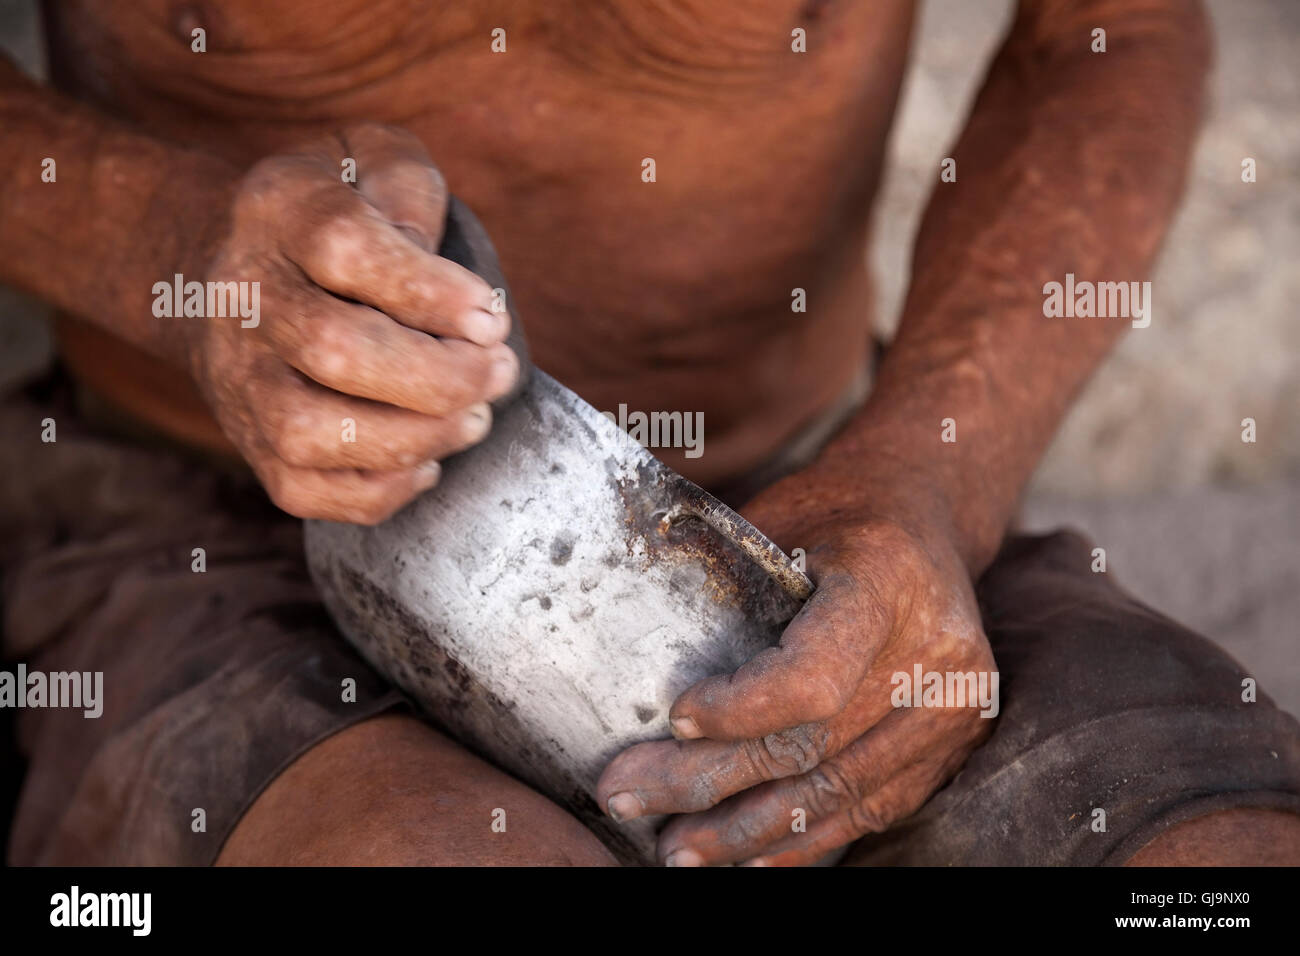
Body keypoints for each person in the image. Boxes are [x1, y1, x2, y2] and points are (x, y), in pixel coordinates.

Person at [1, 0, 1297, 866]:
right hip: (211, 507)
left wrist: (936, 474)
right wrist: (170, 243)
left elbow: (1110, 24)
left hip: (823, 510)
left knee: (1223, 865)